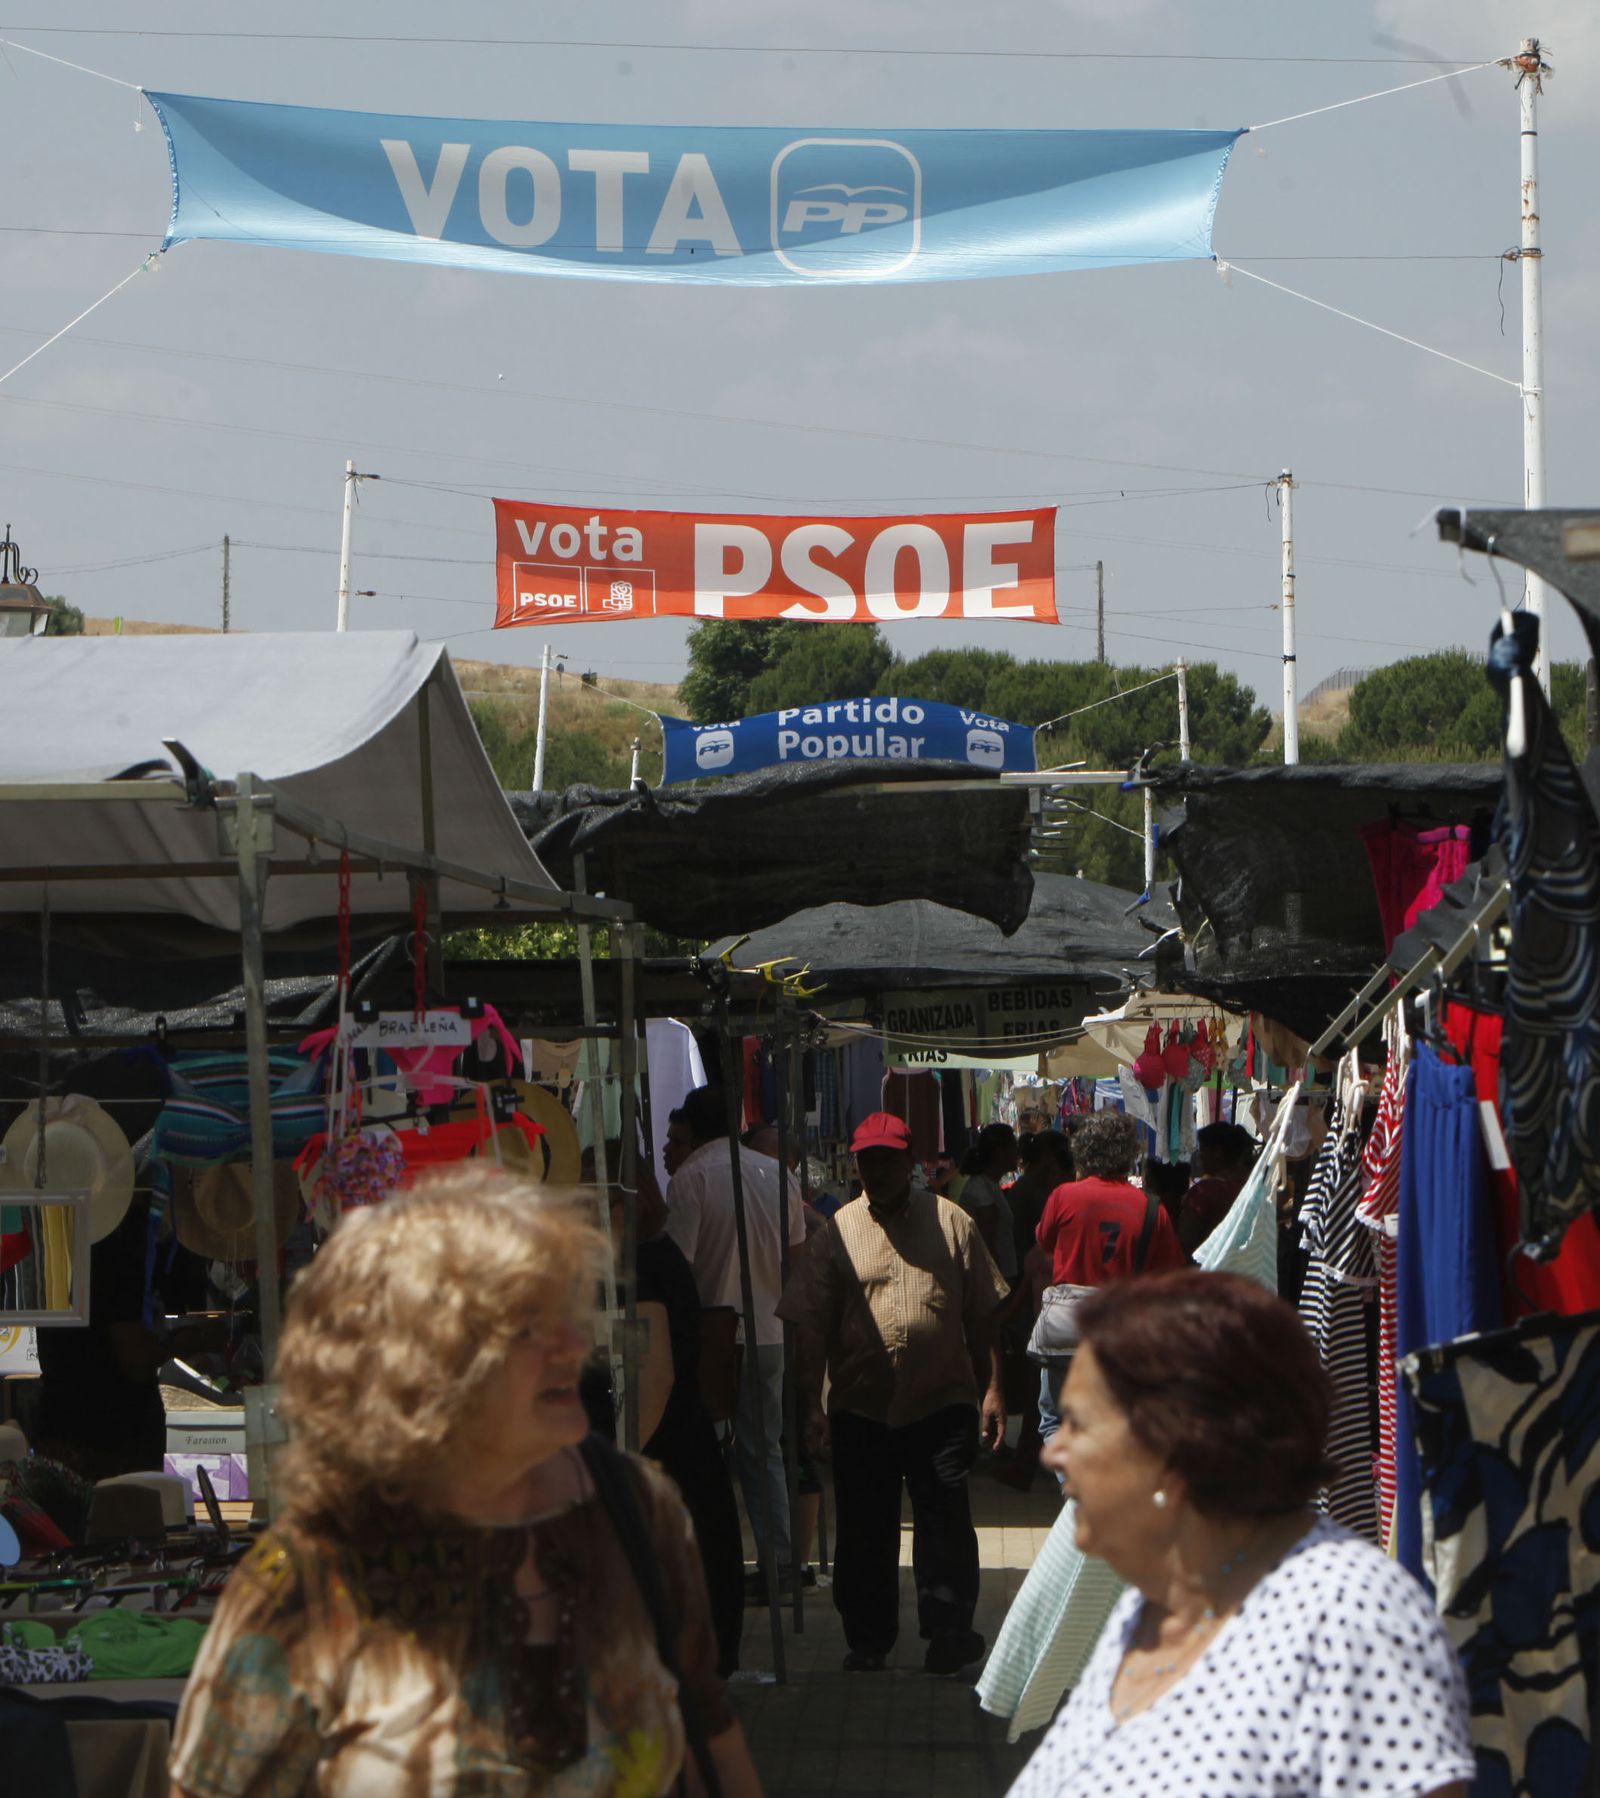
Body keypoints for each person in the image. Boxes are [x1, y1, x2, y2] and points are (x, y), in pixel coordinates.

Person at [168, 1168, 762, 1797]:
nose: (574, 1345)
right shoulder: (309, 1580)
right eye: (528, 1328)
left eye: (569, 1309)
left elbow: (708, 1733)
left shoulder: (634, 1507)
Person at [1006, 1271, 1474, 1798]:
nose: (1052, 1451)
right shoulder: (1162, 1601)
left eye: (1078, 1425)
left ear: (1173, 1445)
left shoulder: (1353, 1615)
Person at [778, 1112, 1009, 1677]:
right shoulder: (836, 1233)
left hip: (942, 1401)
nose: (875, 1169)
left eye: (886, 1158)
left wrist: (994, 1390)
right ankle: (868, 1639)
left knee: (945, 1522)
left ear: (910, 1162)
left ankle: (950, 1630)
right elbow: (809, 1323)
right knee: (864, 1530)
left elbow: (982, 1313)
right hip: (863, 1408)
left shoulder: (951, 1222)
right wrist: (810, 1403)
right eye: (866, 1160)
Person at [580, 1142, 745, 1677]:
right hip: (671, 1459)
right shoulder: (640, 1261)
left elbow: (653, 1377)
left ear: (618, 1206)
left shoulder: (641, 1268)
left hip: (663, 1461)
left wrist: (621, 1470)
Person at [664, 1086, 806, 1598]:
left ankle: (723, 1563)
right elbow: (797, 1258)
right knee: (763, 1450)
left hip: (714, 1337)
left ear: (693, 1130)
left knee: (707, 1455)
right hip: (770, 1331)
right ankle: (781, 1563)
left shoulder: (691, 1179)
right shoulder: (778, 1176)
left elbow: (677, 1266)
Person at [1033, 1113, 1186, 1451]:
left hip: (1068, 1327)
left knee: (1056, 1420)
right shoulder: (1152, 1209)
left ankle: (1076, 1491)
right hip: (1122, 1329)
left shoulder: (1063, 1196)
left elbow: (1043, 1242)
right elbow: (1170, 1278)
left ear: (1083, 1153)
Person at [991, 1131, 1076, 1493]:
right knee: (1041, 1394)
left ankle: (1030, 1463)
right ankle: (1031, 1462)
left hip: (1045, 1309)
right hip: (1045, 1307)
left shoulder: (1044, 1196)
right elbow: (1036, 1258)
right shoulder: (1037, 1196)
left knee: (1041, 1395)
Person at [1177, 1121, 1256, 1254]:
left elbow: (1183, 1242)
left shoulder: (1204, 1193)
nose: (1199, 1158)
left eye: (1203, 1150)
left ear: (1217, 1152)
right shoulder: (1253, 1186)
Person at [958, 1122, 1021, 1284]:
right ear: (1000, 1151)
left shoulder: (989, 1185)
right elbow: (988, 1244)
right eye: (1014, 1147)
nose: (1018, 1153)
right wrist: (998, 1285)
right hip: (994, 1282)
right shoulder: (981, 1190)